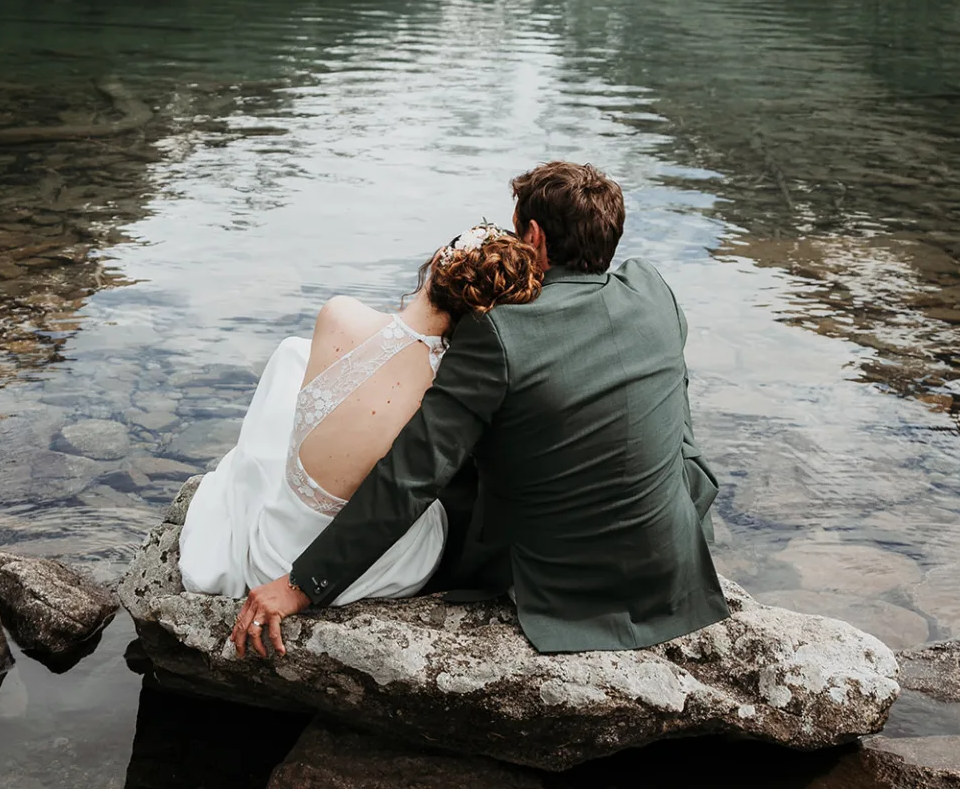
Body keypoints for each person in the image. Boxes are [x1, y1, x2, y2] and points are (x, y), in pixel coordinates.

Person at [232, 161, 729, 659]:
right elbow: (676, 420)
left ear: (533, 237)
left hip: (562, 588)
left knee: (452, 476)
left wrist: (301, 583)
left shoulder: (499, 331)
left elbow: (412, 474)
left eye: (516, 229)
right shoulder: (654, 291)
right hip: (670, 561)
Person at [179, 223, 543, 640]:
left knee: (292, 354)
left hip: (271, 553)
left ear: (439, 262)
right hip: (377, 574)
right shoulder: (454, 388)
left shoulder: (338, 313)